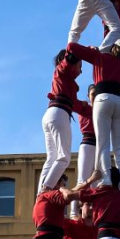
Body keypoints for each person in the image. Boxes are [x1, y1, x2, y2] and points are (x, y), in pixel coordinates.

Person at [66, 42, 120, 191]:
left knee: (103, 143)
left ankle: (106, 180)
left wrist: (90, 49)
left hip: (103, 99)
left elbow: (71, 47)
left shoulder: (98, 57)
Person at [39, 49, 83, 194]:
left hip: (50, 115)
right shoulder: (62, 71)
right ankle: (47, 189)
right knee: (64, 157)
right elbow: (70, 57)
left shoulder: (65, 81)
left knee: (52, 158)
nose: (81, 71)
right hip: (58, 114)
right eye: (80, 66)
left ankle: (41, 193)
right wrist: (84, 50)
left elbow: (78, 105)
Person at [70, 85, 96, 218]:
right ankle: (74, 213)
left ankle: (97, 213)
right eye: (93, 94)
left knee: (98, 181)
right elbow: (73, 104)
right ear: (88, 95)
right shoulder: (86, 108)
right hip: (87, 142)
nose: (95, 96)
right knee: (82, 179)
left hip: (100, 146)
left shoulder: (103, 109)